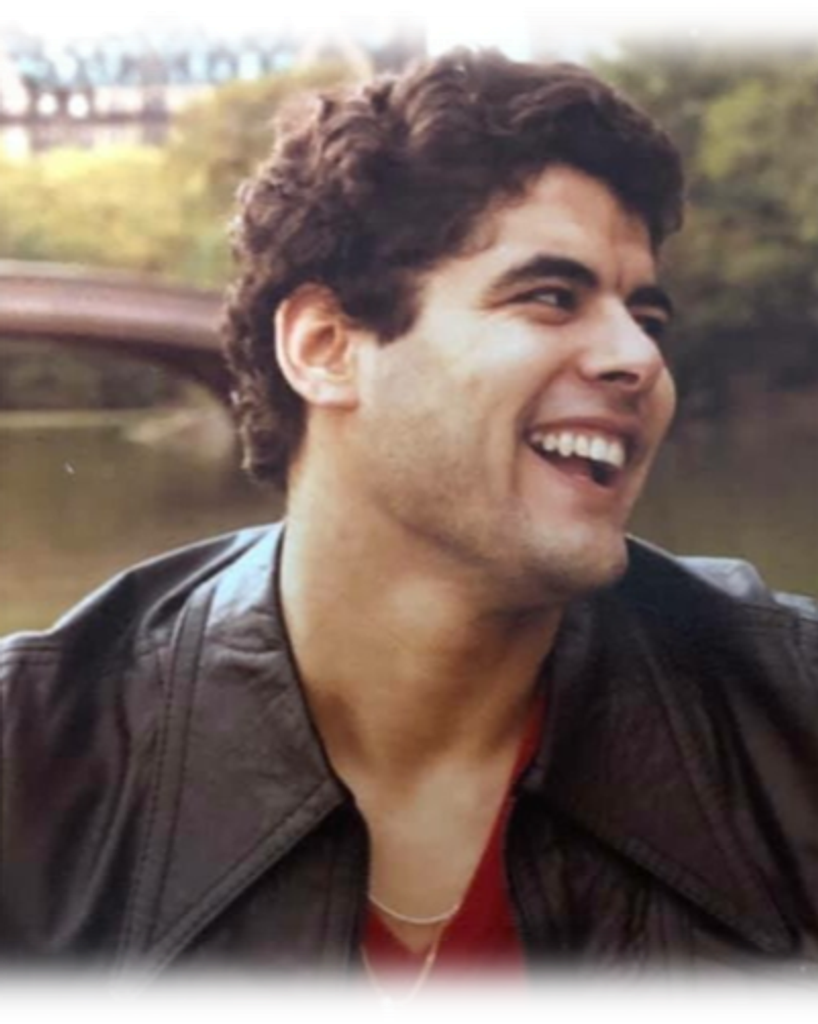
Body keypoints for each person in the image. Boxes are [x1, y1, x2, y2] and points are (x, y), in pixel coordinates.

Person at [2, 45, 818, 1015]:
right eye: (550, 297)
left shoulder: (793, 717)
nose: (637, 357)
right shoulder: (29, 763)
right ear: (325, 347)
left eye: (647, 316)